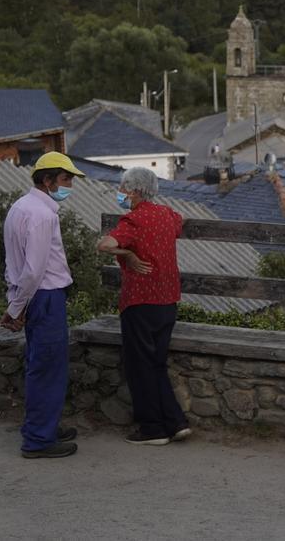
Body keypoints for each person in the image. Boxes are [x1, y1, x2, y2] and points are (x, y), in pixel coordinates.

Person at [97, 166, 191, 446]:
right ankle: (175, 421)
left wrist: (126, 253)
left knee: (140, 365)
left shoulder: (133, 221)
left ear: (135, 191)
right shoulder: (166, 215)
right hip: (167, 299)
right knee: (157, 362)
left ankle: (153, 428)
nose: (121, 193)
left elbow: (104, 245)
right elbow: (180, 220)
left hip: (140, 300)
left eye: (124, 189)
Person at [2, 151, 84, 459]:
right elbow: (34, 269)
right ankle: (38, 438)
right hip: (46, 296)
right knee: (48, 367)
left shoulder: (20, 207)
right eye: (65, 180)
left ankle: (42, 426)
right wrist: (16, 307)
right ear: (47, 180)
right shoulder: (42, 215)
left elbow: (15, 263)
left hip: (33, 295)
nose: (69, 186)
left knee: (40, 364)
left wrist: (15, 301)